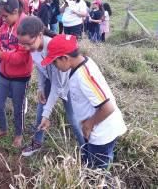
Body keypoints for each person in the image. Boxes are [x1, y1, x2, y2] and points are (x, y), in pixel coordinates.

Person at [40, 34, 127, 169]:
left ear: (65, 58)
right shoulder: (79, 65)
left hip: (102, 134)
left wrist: (88, 125)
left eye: (54, 62)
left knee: (99, 173)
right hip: (95, 132)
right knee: (93, 165)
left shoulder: (84, 75)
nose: (54, 66)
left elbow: (108, 107)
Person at [17, 17, 84, 156]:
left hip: (68, 83)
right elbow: (41, 67)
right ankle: (37, 143)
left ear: (40, 35)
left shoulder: (53, 50)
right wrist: (41, 87)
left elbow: (57, 86)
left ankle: (86, 148)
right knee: (40, 112)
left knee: (72, 117)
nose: (26, 48)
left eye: (29, 44)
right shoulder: (33, 48)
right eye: (23, 44)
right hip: (50, 81)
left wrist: (47, 114)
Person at [0, 0, 33, 148]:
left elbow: (21, 57)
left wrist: (1, 55)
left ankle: (18, 134)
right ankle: (3, 129)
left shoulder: (26, 27)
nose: (3, 19)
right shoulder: (5, 26)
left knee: (18, 107)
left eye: (5, 16)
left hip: (20, 77)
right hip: (4, 73)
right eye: (1, 16)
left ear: (15, 11)